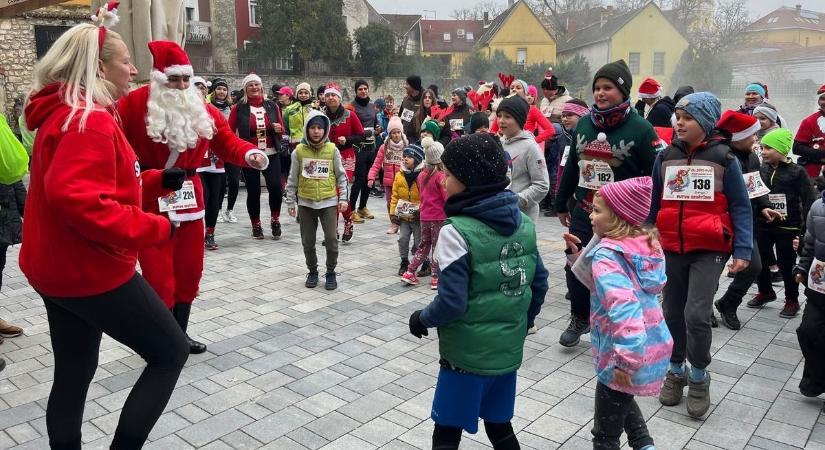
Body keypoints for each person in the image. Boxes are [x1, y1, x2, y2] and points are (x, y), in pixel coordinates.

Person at [21, 18, 188, 448]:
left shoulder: (65, 112)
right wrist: (155, 227)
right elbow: (76, 198)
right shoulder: (89, 119)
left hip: (54, 269)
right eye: (127, 62)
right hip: (89, 270)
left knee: (74, 372)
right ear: (99, 67)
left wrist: (153, 181)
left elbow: (96, 182)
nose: (133, 71)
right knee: (170, 353)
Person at [117, 42, 268, 354]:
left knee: (189, 270)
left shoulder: (202, 108)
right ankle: (160, 339)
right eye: (174, 80)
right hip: (151, 200)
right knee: (158, 275)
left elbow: (227, 143)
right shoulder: (132, 105)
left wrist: (250, 153)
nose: (181, 86)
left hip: (190, 200)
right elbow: (116, 151)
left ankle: (179, 335)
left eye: (186, 79)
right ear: (158, 78)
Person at [407, 133, 548, 450]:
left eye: (448, 173)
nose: (442, 180)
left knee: (447, 429)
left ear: (468, 181)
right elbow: (539, 282)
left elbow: (452, 302)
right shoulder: (524, 224)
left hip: (465, 356)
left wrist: (421, 319)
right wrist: (524, 321)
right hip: (507, 350)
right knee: (500, 425)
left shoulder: (456, 231)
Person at [648, 92, 753, 419]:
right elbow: (654, 201)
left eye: (687, 118)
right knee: (671, 312)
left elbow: (740, 206)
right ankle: (675, 369)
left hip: (709, 248)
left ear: (705, 123)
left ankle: (698, 376)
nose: (679, 123)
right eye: (677, 117)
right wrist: (648, 230)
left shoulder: (725, 159)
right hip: (672, 246)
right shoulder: (665, 156)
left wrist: (743, 249)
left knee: (696, 313)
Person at [554, 60, 661, 348]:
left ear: (623, 90)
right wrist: (561, 202)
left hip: (622, 218)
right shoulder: (585, 123)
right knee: (574, 264)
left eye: (608, 88)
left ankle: (619, 324)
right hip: (585, 208)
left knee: (616, 271)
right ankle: (579, 316)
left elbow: (655, 176)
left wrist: (650, 217)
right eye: (597, 88)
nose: (600, 93)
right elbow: (573, 166)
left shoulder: (642, 129)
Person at [568, 177, 671, 450]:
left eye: (598, 210)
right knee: (622, 400)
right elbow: (607, 287)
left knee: (605, 436)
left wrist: (625, 362)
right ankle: (644, 445)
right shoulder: (644, 245)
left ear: (618, 218)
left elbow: (625, 308)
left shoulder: (607, 256)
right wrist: (576, 253)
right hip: (652, 343)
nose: (590, 214)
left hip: (625, 352)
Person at [713, 111, 779, 330]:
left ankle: (728, 304)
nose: (756, 140)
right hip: (719, 223)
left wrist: (765, 206)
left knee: (754, 266)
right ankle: (703, 308)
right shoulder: (718, 155)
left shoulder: (751, 156)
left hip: (745, 222)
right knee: (712, 270)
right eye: (752, 135)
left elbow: (756, 185)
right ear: (738, 136)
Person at [746, 128, 815, 318]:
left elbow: (809, 199)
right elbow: (757, 193)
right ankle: (766, 291)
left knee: (787, 264)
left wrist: (804, 231)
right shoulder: (762, 169)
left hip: (788, 225)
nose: (764, 152)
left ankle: (792, 299)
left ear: (782, 150)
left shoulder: (797, 172)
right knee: (761, 260)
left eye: (768, 148)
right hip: (764, 223)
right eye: (762, 148)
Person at [285, 110, 349, 291]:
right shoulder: (298, 151)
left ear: (325, 130)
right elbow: (292, 178)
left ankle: (330, 272)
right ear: (307, 129)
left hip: (329, 202)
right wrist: (291, 202)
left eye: (319, 128)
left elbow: (341, 176)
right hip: (306, 203)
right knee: (308, 241)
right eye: (312, 127)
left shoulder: (332, 150)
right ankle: (312, 271)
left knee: (331, 239)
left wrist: (343, 198)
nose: (316, 131)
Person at [228, 73, 286, 240]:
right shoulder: (238, 108)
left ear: (262, 87)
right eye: (250, 85)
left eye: (257, 85)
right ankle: (256, 224)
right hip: (250, 155)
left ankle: (275, 219)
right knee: (253, 191)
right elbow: (229, 132)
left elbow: (281, 128)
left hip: (271, 153)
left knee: (275, 186)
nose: (254, 87)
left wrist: (278, 128)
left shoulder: (272, 106)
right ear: (245, 89)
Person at [401, 137, 447, 289]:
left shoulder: (421, 175)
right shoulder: (440, 177)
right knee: (437, 247)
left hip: (424, 217)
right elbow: (445, 197)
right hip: (439, 217)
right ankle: (435, 277)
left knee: (424, 245)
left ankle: (410, 271)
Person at [793, 186, 825, 398]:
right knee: (807, 331)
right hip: (819, 282)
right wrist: (803, 267)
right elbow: (811, 243)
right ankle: (817, 379)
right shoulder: (818, 206)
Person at [497, 95, 550, 223]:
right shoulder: (499, 143)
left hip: (522, 217)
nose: (501, 121)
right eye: (499, 116)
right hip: (500, 213)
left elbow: (542, 185)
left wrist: (515, 200)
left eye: (507, 117)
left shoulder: (530, 147)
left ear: (519, 119)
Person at [324, 83, 363, 242]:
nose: (331, 98)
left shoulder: (350, 115)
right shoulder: (321, 116)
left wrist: (347, 139)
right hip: (327, 158)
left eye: (333, 95)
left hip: (346, 157)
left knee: (340, 192)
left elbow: (361, 135)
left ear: (339, 98)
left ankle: (348, 221)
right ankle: (333, 230)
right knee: (330, 194)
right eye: (328, 95)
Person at [198, 79, 230, 250]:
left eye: (202, 87)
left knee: (215, 199)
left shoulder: (215, 111)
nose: (199, 90)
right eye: (196, 87)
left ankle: (210, 232)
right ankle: (195, 231)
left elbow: (227, 134)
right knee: (203, 196)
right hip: (195, 163)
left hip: (216, 162)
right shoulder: (183, 110)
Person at [368, 116, 407, 234]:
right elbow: (376, 163)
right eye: (393, 133)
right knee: (390, 202)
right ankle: (394, 224)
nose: (396, 135)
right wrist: (371, 177)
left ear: (401, 132)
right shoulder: (384, 147)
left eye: (398, 132)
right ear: (389, 134)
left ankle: (404, 224)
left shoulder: (406, 146)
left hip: (403, 181)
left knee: (403, 202)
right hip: (389, 182)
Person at [391, 144, 424, 277]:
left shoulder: (422, 175)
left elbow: (426, 196)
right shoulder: (399, 175)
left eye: (409, 157)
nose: (405, 159)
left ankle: (425, 262)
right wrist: (393, 213)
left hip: (418, 217)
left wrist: (421, 210)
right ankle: (404, 261)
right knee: (403, 238)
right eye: (404, 156)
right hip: (404, 216)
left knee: (419, 241)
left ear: (417, 159)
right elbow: (394, 195)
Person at [490, 79, 555, 144]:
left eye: (518, 88)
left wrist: (533, 142)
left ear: (525, 92)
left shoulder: (532, 110)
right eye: (512, 88)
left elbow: (550, 130)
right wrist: (498, 140)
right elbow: (493, 131)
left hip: (525, 149)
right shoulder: (505, 108)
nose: (514, 89)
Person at [348, 79, 377, 224]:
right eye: (360, 89)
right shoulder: (351, 107)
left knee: (369, 179)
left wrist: (378, 130)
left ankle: (362, 207)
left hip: (371, 148)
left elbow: (375, 124)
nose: (363, 91)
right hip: (358, 149)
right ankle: (351, 210)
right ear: (356, 91)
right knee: (359, 180)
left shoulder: (372, 107)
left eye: (365, 88)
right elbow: (349, 128)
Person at [792, 84, 825, 179]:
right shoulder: (809, 121)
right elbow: (797, 148)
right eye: (822, 99)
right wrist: (820, 153)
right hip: (813, 174)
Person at [399, 75, 423, 143]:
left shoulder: (425, 100)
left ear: (413, 86)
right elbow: (400, 117)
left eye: (407, 84)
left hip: (419, 140)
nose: (405, 86)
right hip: (405, 139)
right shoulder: (406, 99)